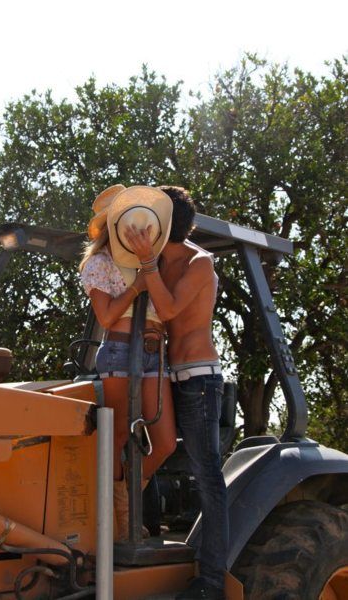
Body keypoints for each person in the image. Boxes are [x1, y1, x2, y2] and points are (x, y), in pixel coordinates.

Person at [123, 185, 228, 600]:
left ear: (164, 224)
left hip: (199, 380)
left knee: (207, 477)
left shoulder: (200, 263)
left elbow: (167, 310)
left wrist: (148, 262)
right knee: (141, 447)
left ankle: (213, 582)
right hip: (166, 376)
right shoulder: (157, 263)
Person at [79, 184, 177, 542]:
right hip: (120, 349)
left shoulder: (154, 260)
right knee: (117, 437)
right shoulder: (99, 263)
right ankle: (117, 523)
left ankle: (124, 497)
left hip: (155, 352)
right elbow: (105, 317)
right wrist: (136, 288)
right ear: (112, 225)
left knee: (166, 442)